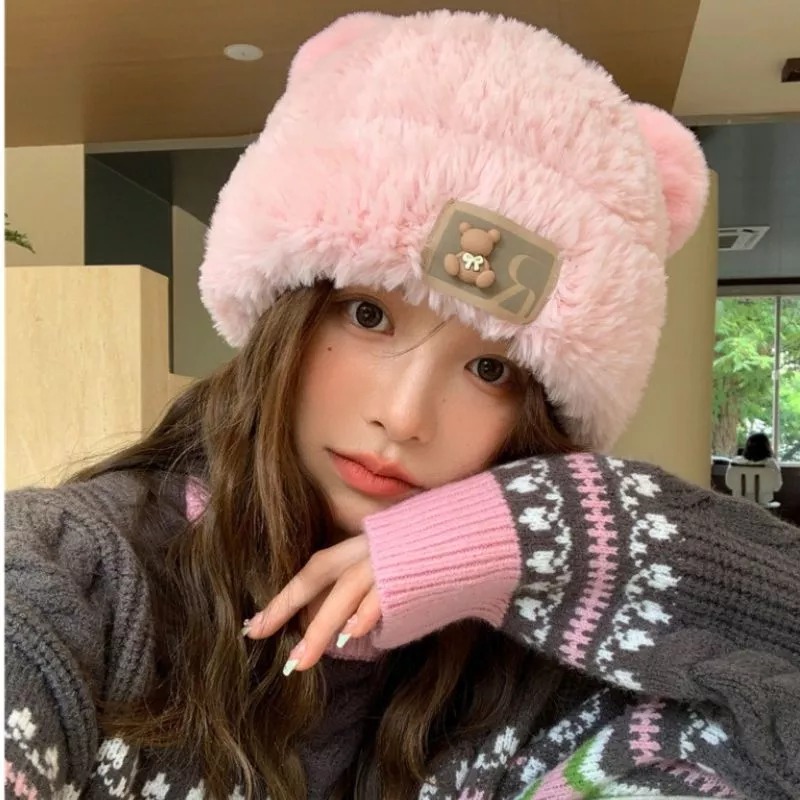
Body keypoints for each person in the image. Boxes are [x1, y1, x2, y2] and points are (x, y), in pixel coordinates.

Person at [6, 11, 800, 800]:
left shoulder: (542, 694)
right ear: (285, 310)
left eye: (490, 368)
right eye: (367, 314)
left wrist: (563, 535)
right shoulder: (74, 577)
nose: (405, 415)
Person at [725, 432, 783, 505]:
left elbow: (729, 483)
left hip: (739, 503)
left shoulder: (735, 461)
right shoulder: (771, 463)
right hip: (763, 503)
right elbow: (777, 487)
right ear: (767, 447)